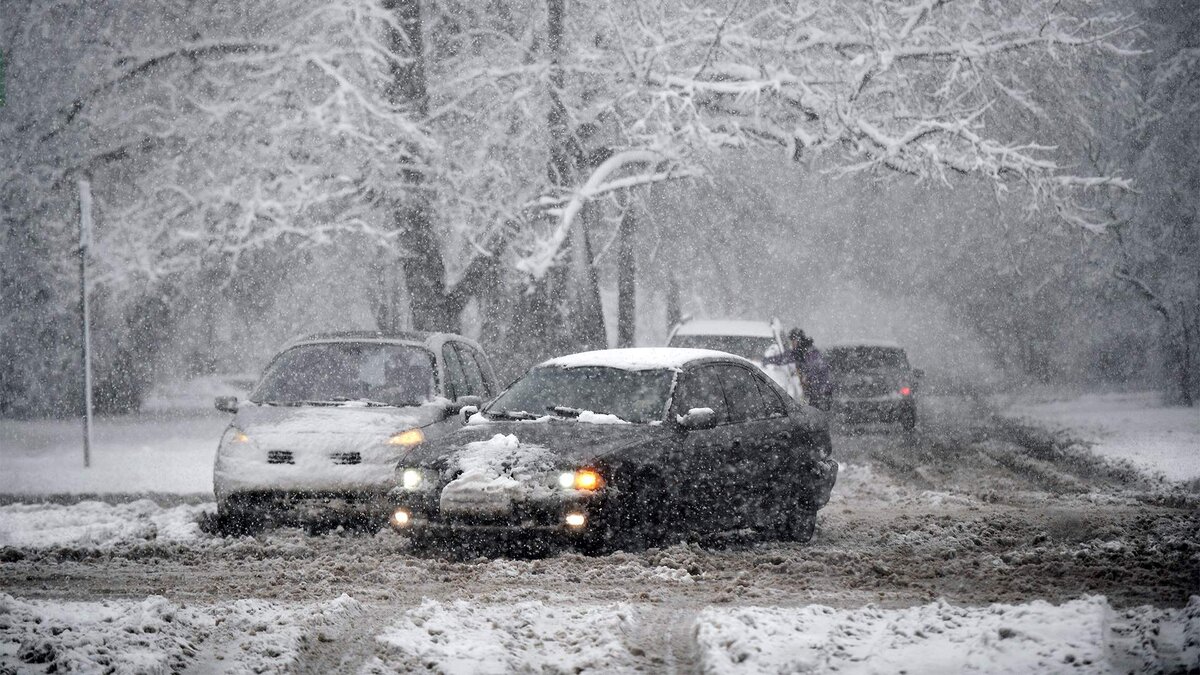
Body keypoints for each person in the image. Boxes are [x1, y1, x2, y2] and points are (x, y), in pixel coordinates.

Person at [765, 328, 833, 410]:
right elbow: (784, 358)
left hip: (821, 391)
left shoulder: (811, 352)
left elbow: (817, 368)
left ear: (799, 340)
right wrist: (766, 360)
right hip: (814, 392)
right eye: (791, 341)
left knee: (819, 413)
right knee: (814, 412)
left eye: (793, 341)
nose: (792, 344)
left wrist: (807, 378)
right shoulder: (798, 352)